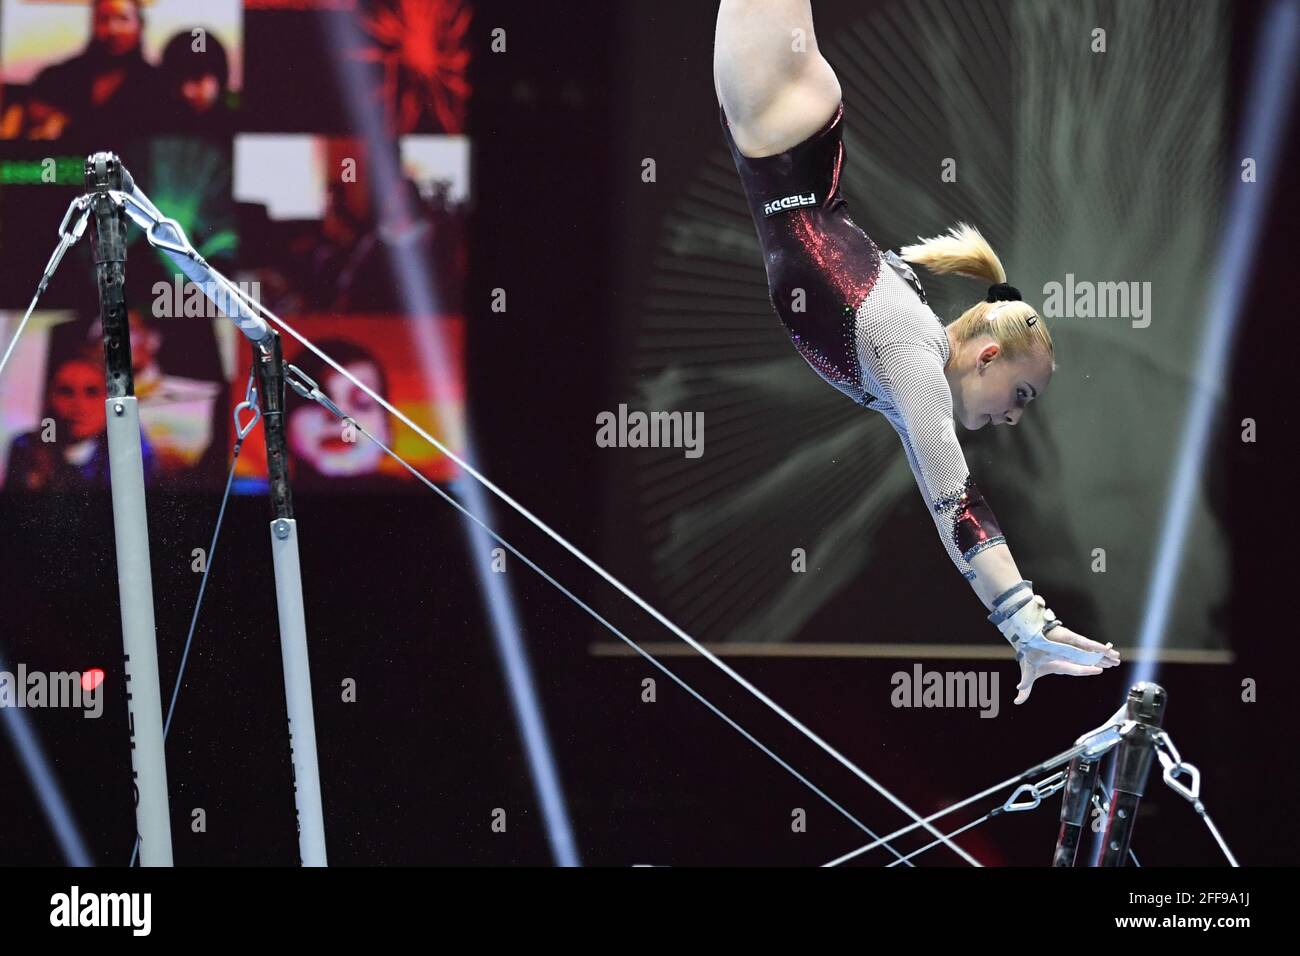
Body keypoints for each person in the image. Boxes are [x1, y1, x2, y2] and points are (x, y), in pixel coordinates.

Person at [714, 0, 1119, 703]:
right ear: (987, 357)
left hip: (778, 129)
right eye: (1021, 395)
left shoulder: (907, 382)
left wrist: (1019, 628)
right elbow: (955, 499)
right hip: (784, 128)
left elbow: (948, 505)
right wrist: (1026, 622)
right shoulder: (913, 360)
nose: (1017, 419)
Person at [23, 0, 164, 142]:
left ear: (140, 25)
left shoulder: (156, 84)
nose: (112, 29)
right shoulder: (60, 76)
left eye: (123, 19)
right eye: (103, 19)